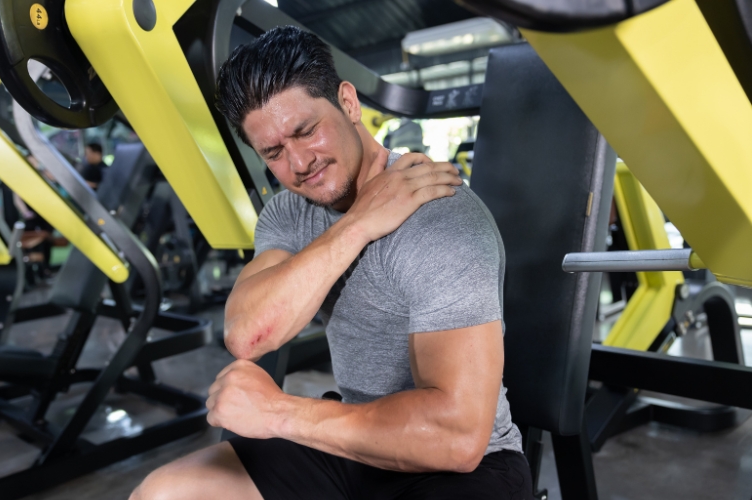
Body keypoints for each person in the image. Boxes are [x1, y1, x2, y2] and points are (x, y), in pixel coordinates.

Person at [131, 26, 530, 500]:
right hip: (351, 443)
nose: (299, 163)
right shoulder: (287, 212)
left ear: (348, 102)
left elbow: (457, 437)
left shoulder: (442, 216)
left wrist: (279, 413)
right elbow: (246, 333)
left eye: (306, 131)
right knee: (165, 494)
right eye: (274, 152)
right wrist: (360, 222)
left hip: (465, 469)